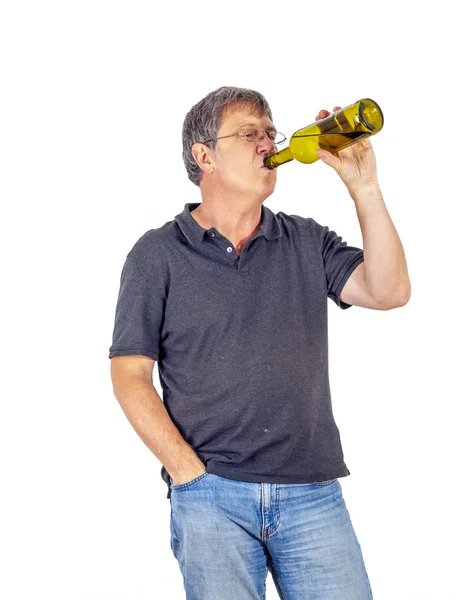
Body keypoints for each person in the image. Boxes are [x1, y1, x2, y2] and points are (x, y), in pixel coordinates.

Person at [108, 86, 411, 600]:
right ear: (203, 156)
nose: (269, 143)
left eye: (271, 132)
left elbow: (389, 290)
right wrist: (189, 475)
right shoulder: (158, 253)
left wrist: (364, 187)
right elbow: (129, 375)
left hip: (312, 493)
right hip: (212, 495)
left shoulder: (306, 240)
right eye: (250, 133)